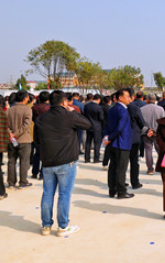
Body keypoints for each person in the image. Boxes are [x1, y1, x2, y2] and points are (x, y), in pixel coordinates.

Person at [34, 90, 91, 237]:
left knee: (47, 193)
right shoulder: (69, 115)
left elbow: (37, 140)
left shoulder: (41, 119)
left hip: (47, 161)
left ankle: (46, 226)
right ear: (64, 102)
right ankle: (62, 226)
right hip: (66, 161)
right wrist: (74, 113)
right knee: (64, 194)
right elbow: (87, 124)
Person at [105, 88, 134, 199]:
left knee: (113, 167)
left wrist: (107, 137)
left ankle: (112, 190)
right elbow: (120, 128)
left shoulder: (112, 108)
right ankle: (121, 192)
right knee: (121, 169)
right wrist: (110, 137)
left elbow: (107, 125)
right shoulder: (123, 110)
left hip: (113, 143)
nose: (129, 99)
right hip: (121, 143)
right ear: (120, 97)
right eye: (127, 96)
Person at [7, 90, 34, 188]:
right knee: (24, 161)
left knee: (11, 161)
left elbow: (5, 125)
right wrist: (16, 134)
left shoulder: (9, 110)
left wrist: (11, 134)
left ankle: (11, 182)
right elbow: (26, 125)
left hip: (11, 140)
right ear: (25, 98)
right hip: (24, 139)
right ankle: (23, 181)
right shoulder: (27, 110)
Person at [141, 94, 165, 174]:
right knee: (160, 150)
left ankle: (150, 169)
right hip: (158, 133)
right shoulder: (161, 109)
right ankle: (162, 166)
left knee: (148, 150)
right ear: (155, 100)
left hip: (146, 133)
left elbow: (140, 123)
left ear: (147, 99)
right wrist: (155, 130)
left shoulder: (142, 109)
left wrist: (148, 130)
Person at [83, 95, 105, 164]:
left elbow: (84, 115)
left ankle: (87, 158)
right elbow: (101, 118)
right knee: (97, 143)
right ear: (98, 99)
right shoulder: (99, 107)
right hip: (97, 127)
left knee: (88, 142)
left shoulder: (87, 106)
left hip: (88, 126)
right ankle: (96, 158)